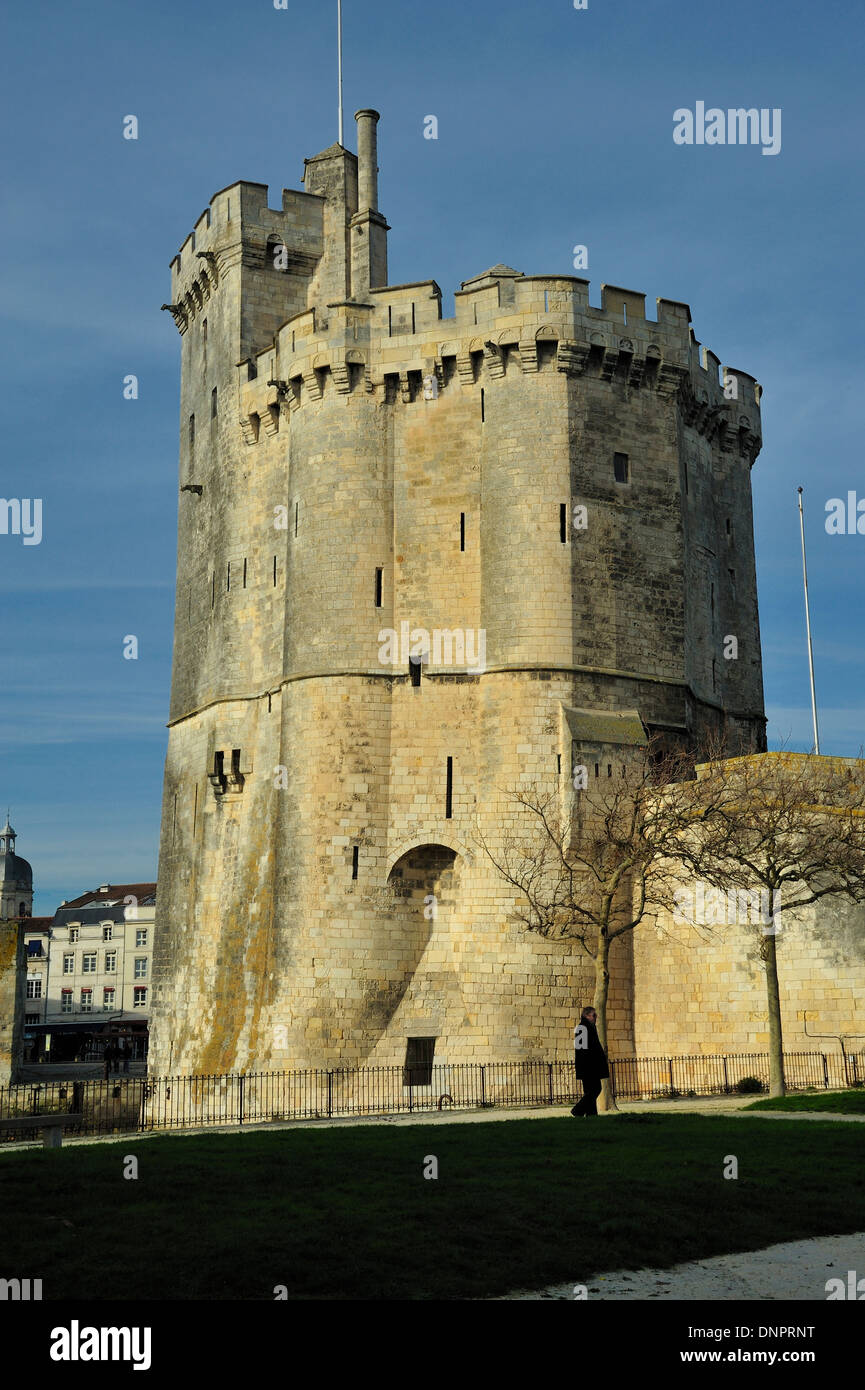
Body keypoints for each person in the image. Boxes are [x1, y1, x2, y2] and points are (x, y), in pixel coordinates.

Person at [571, 1005, 609, 1117]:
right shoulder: (582, 1028)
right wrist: (587, 1064)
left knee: (590, 1090)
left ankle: (591, 1115)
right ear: (586, 1015)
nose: (596, 1017)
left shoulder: (589, 1027)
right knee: (596, 1089)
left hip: (591, 1066)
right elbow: (581, 1050)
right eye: (594, 1015)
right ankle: (577, 1110)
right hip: (588, 1067)